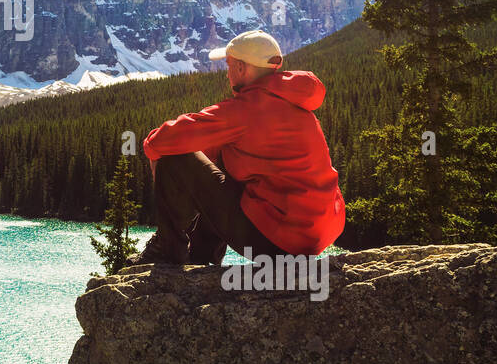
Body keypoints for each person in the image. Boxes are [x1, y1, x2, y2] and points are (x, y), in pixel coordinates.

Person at [129, 29, 345, 266]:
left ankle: (166, 251)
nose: (227, 73)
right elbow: (215, 162)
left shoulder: (246, 109)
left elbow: (164, 140)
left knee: (174, 159)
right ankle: (201, 255)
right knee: (227, 161)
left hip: (277, 244)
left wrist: (155, 156)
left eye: (229, 65)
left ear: (242, 68)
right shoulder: (296, 104)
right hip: (312, 239)